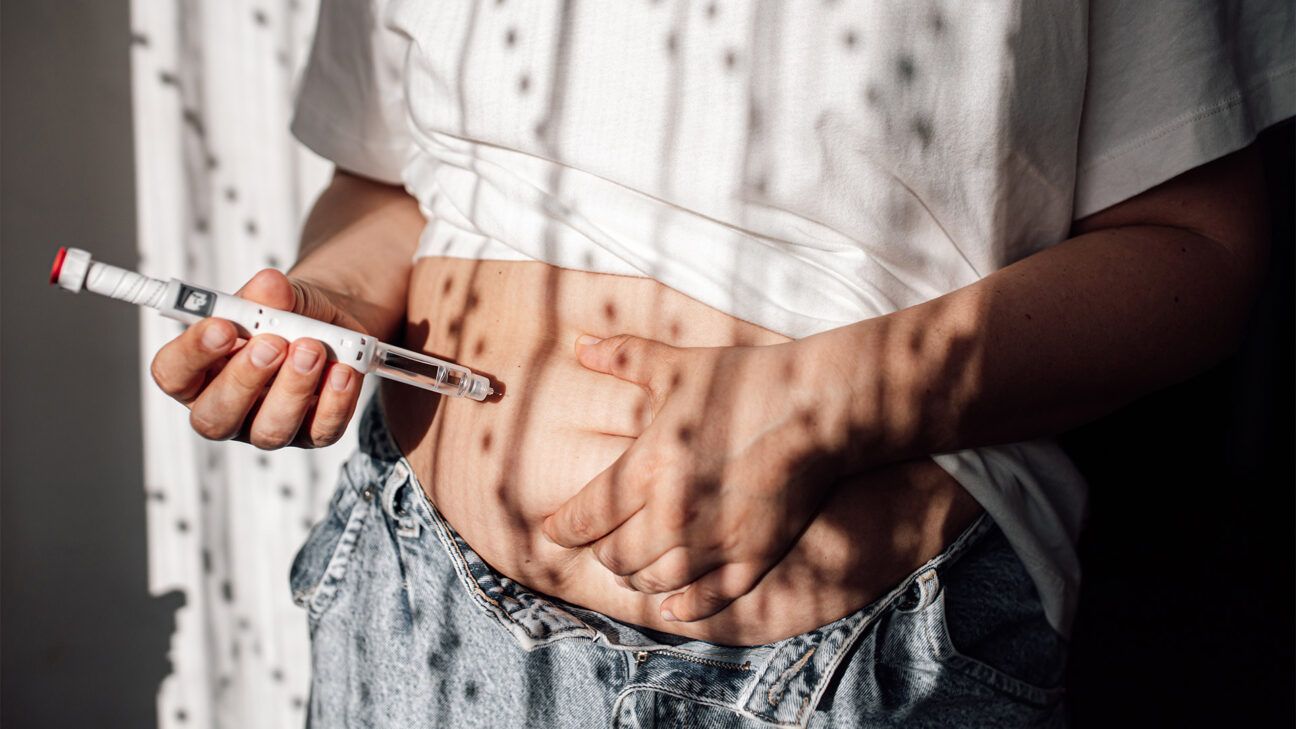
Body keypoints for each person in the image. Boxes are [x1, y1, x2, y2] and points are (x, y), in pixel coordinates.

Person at [148, 1, 1293, 726]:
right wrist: (334, 297)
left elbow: (1196, 258)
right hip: (412, 603)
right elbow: (387, 180)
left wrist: (822, 405)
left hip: (863, 665)